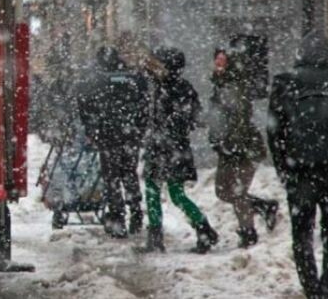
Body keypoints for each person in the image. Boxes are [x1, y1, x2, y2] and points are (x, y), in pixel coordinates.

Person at [267, 30, 328, 298]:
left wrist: (284, 167)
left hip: (300, 169)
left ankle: (311, 286)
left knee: (302, 232)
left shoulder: (286, 84)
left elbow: (273, 132)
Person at [138, 47, 219, 253]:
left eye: (158, 64)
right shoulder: (170, 87)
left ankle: (197, 231)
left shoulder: (172, 89)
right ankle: (201, 230)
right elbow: (195, 117)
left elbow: (190, 118)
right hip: (171, 148)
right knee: (163, 192)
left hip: (168, 148)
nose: (153, 68)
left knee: (164, 192)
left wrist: (166, 128)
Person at [209, 45, 279, 248]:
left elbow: (238, 120)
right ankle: (264, 206)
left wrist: (231, 145)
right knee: (223, 191)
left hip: (242, 148)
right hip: (228, 147)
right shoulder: (221, 84)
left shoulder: (234, 86)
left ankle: (249, 234)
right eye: (217, 59)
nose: (218, 63)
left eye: (222, 60)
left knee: (237, 192)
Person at [76, 45, 148, 238]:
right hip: (130, 135)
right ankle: (136, 211)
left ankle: (117, 217)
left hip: (108, 136)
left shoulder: (97, 81)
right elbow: (144, 104)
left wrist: (92, 128)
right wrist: (139, 129)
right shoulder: (132, 78)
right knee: (129, 175)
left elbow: (84, 103)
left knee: (112, 177)